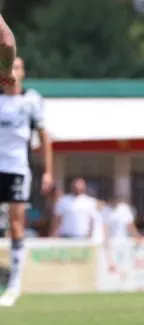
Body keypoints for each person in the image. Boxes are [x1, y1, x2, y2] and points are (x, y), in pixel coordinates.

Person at [0, 55, 53, 307]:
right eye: (8, 65)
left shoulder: (31, 101)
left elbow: (45, 138)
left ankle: (14, 284)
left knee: (16, 222)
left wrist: (48, 172)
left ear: (23, 72)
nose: (12, 70)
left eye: (17, 66)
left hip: (17, 169)